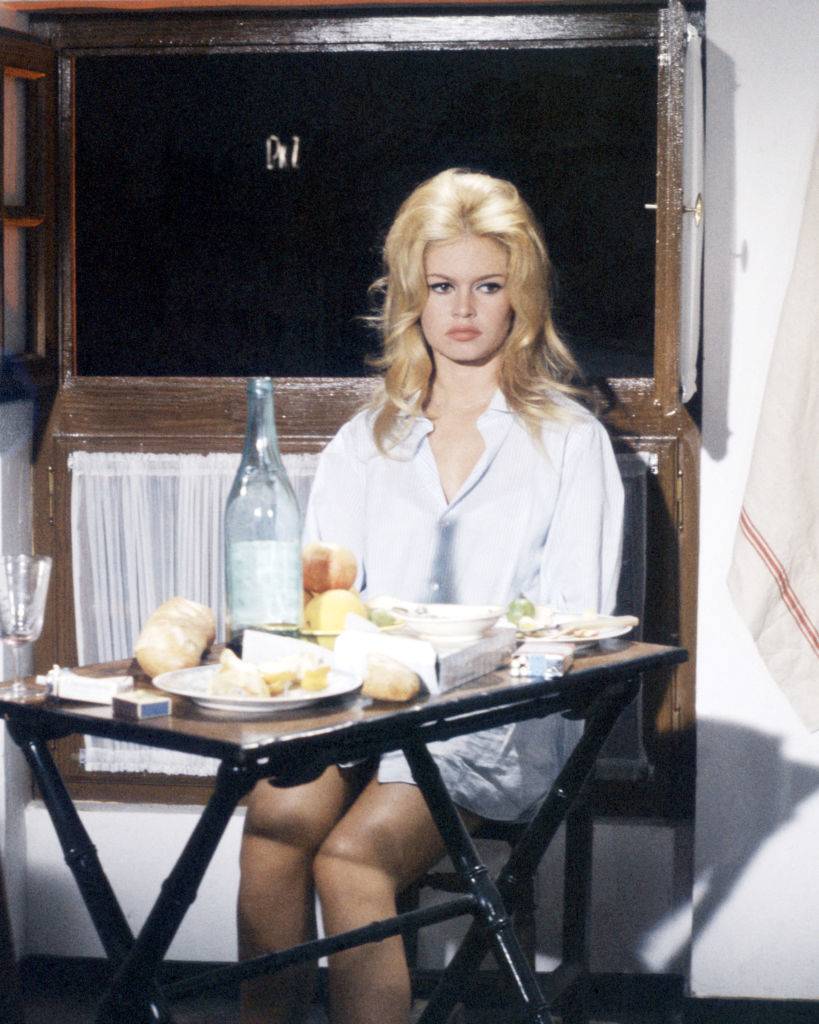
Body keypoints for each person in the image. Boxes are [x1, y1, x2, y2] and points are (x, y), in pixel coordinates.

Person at [238, 168, 624, 1024]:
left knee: (351, 860)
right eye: (442, 287)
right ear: (411, 298)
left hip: (495, 721)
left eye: (487, 286)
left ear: (520, 295)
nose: (463, 310)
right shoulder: (367, 436)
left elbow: (571, 629)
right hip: (366, 705)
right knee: (272, 822)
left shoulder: (570, 443)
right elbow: (324, 602)